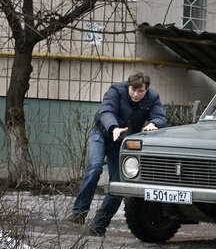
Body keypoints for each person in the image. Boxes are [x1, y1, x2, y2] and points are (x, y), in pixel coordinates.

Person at [70, 71, 167, 236]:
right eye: (133, 90)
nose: (136, 94)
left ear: (146, 90)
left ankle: (98, 226)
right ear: (128, 86)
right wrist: (114, 128)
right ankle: (79, 212)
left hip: (121, 144)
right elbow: (106, 111)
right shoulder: (116, 90)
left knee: (119, 185)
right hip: (102, 134)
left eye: (140, 91)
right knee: (94, 168)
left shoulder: (153, 97)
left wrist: (154, 124)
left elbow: (160, 117)